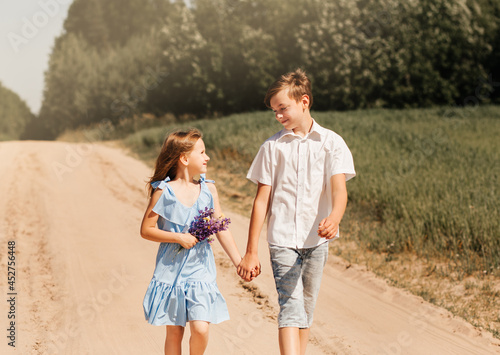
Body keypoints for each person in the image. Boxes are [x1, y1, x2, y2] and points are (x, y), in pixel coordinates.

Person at [237, 68, 356, 355]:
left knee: (305, 311)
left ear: (304, 101)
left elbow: (339, 190)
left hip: (316, 243)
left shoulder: (331, 143)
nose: (278, 116)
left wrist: (335, 217)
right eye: (275, 111)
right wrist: (251, 251)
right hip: (282, 241)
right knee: (290, 308)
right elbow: (261, 201)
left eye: (283, 109)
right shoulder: (272, 147)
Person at [141, 128, 243, 355]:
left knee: (200, 329)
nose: (207, 157)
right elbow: (146, 230)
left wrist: (239, 261)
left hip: (200, 269)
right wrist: (178, 236)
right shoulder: (163, 192)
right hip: (171, 270)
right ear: (184, 159)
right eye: (202, 152)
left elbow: (221, 228)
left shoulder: (208, 189)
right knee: (174, 333)